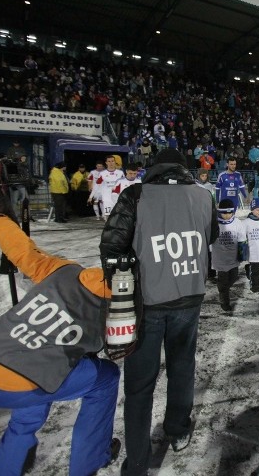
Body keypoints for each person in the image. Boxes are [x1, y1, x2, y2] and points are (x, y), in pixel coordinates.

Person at [0, 187, 120, 476]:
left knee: (45, 373)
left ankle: (6, 468)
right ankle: (91, 461)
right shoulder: (119, 300)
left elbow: (19, 247)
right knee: (105, 378)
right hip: (22, 381)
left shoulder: (60, 269)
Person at [99, 148, 217, 476]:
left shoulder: (136, 194)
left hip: (148, 300)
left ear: (154, 167)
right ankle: (178, 430)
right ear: (183, 168)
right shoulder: (203, 195)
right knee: (182, 369)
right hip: (190, 296)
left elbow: (111, 246)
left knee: (140, 383)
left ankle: (137, 461)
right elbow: (212, 235)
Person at [212, 198, 248, 311]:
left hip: (233, 258)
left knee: (233, 277)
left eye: (229, 212)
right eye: (224, 213)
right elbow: (209, 238)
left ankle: (223, 289)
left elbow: (242, 238)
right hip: (220, 258)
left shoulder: (237, 222)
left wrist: (242, 254)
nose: (227, 215)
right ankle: (224, 302)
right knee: (223, 283)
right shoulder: (215, 223)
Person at [92, 155, 125, 221]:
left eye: (112, 161)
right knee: (107, 214)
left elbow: (124, 183)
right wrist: (94, 194)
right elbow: (97, 184)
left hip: (117, 196)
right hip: (106, 195)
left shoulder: (120, 173)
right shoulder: (102, 173)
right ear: (106, 163)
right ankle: (104, 220)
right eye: (109, 161)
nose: (111, 163)